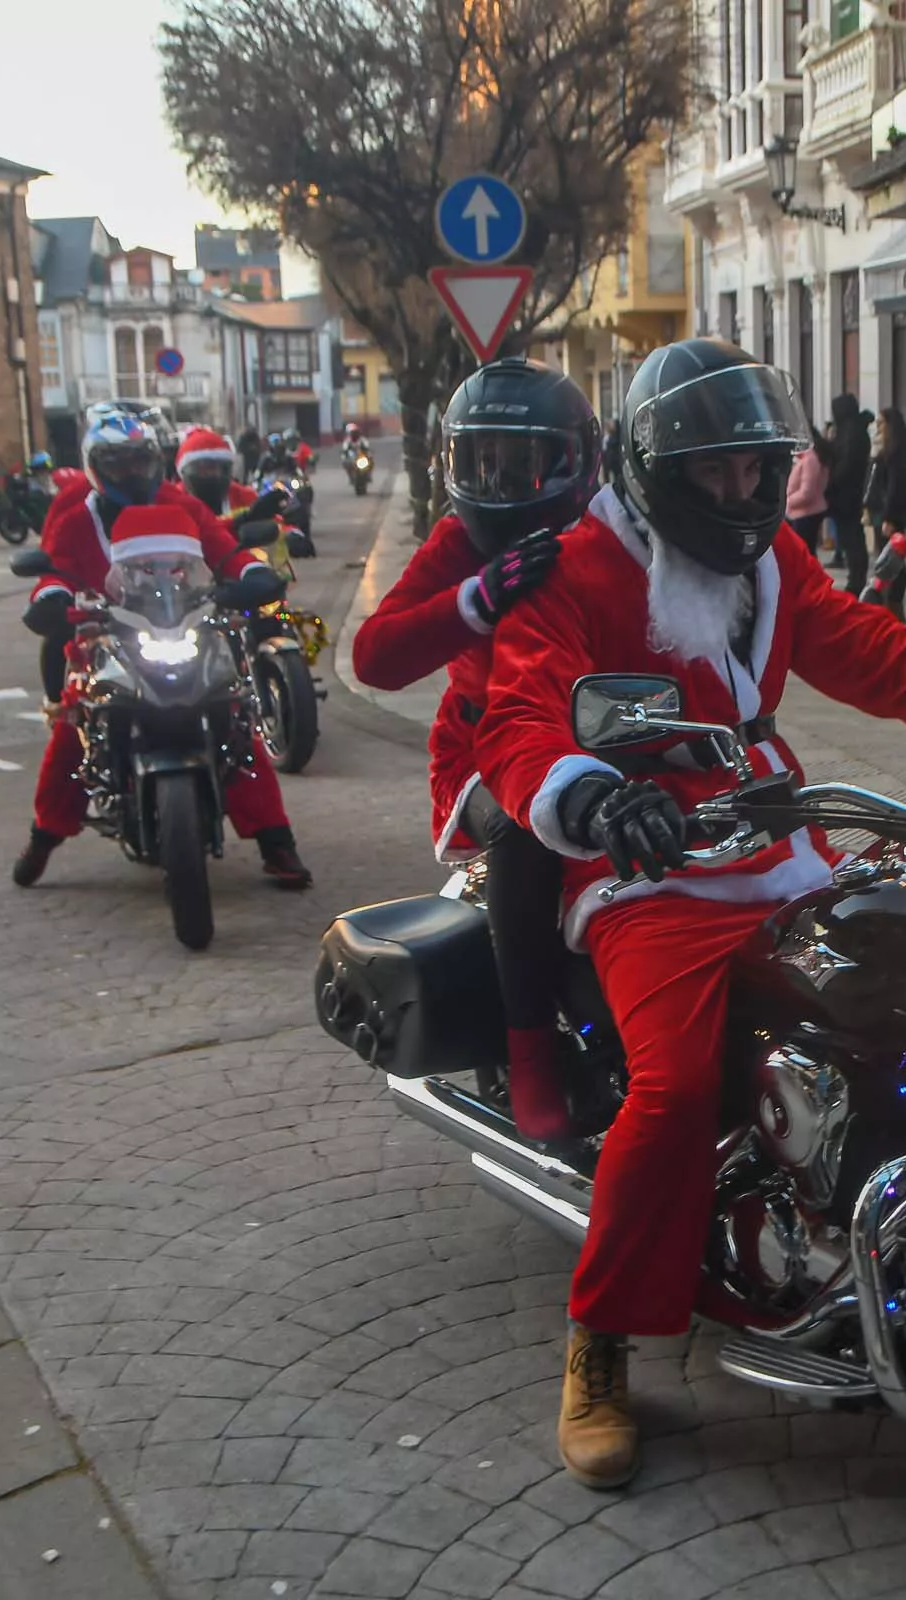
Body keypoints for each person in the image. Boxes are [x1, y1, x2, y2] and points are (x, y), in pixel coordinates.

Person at [472, 337, 906, 1490]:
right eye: (716, 474)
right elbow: (514, 721)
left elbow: (877, 651)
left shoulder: (771, 566)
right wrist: (597, 795)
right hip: (642, 863)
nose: (743, 494)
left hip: (774, 830)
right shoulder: (575, 570)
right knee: (668, 1085)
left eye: (759, 470)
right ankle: (602, 1343)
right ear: (656, 468)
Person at [352, 359, 601, 1142]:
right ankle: (529, 1055)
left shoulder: (606, 531)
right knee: (526, 836)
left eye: (519, 461)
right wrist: (476, 599)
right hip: (485, 750)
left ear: (571, 462)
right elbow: (374, 656)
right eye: (479, 460)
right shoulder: (458, 540)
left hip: (606, 736)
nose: (497, 481)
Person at [11, 414, 311, 891]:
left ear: (157, 461)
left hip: (182, 624)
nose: (131, 472)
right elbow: (56, 571)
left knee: (232, 714)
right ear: (95, 466)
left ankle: (277, 842)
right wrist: (51, 597)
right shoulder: (75, 518)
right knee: (75, 728)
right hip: (106, 634)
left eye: (140, 460)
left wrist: (250, 572)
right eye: (118, 463)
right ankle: (43, 838)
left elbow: (222, 547)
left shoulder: (181, 505)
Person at [864, 408, 906, 616]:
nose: (878, 427)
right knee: (884, 557)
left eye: (882, 423)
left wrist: (889, 517)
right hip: (881, 511)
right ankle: (886, 599)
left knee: (893, 559)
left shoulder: (899, 452)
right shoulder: (885, 448)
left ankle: (894, 602)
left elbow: (896, 487)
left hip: (891, 513)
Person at [824, 399, 872, 591]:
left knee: (852, 539)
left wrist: (831, 482)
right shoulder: (850, 431)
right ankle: (856, 577)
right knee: (848, 538)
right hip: (845, 494)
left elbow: (847, 464)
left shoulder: (852, 433)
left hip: (847, 494)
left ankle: (857, 580)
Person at [783, 427, 830, 565]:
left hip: (805, 513)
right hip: (801, 513)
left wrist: (787, 502)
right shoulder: (806, 458)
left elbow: (807, 492)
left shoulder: (810, 459)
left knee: (804, 555)